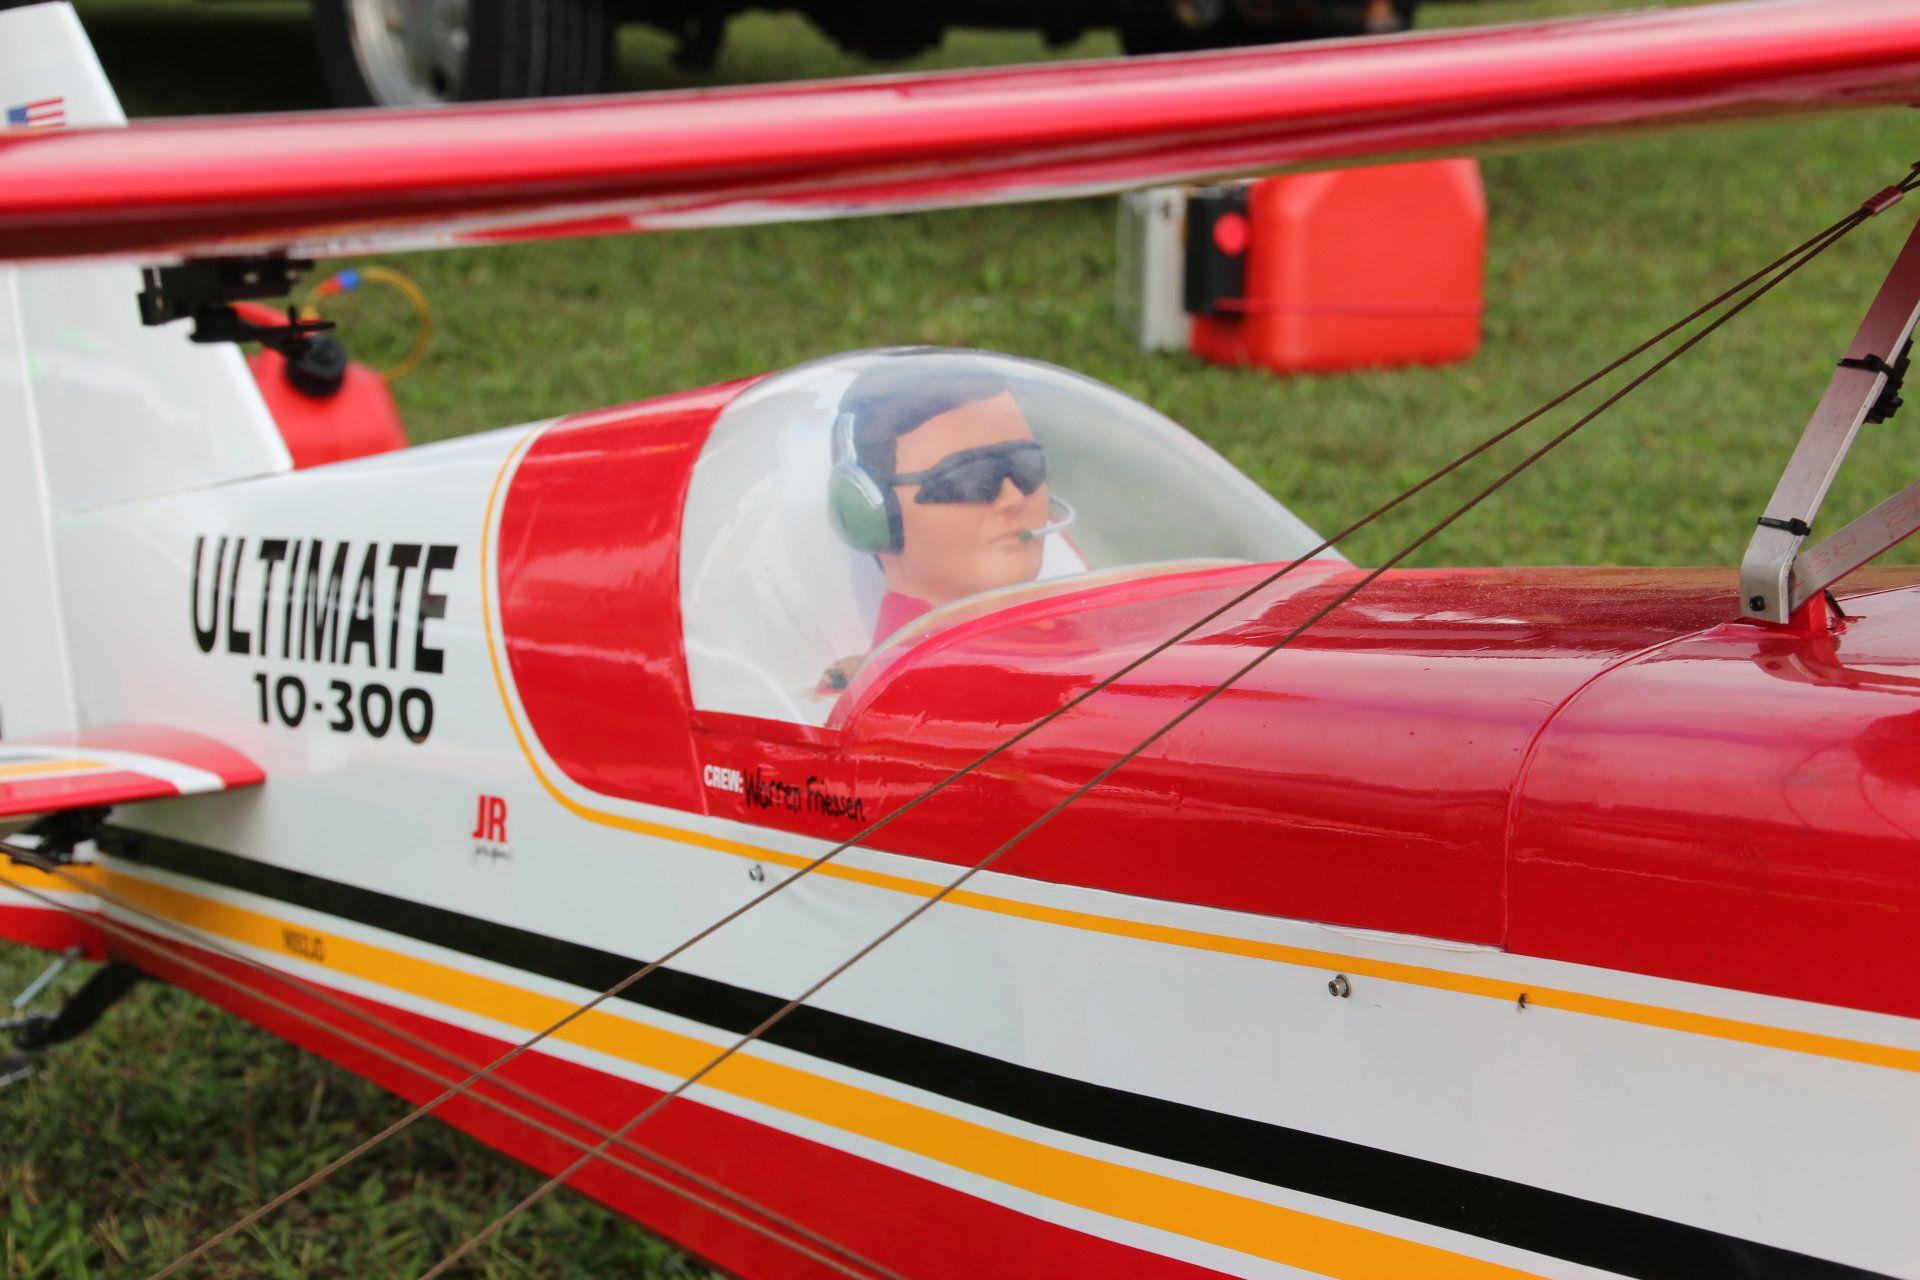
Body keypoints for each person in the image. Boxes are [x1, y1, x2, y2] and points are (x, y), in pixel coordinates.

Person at [826, 358, 1066, 655]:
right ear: (870, 512)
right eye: (970, 476)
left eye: (1026, 465)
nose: (1013, 499)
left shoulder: (1082, 630)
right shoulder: (903, 692)